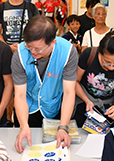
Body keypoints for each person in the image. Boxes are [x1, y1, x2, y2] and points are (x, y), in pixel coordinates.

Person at [12, 16, 78, 153]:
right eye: (29, 46)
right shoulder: (19, 54)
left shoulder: (68, 52)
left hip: (54, 108)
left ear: (53, 42)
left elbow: (69, 92)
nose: (32, 52)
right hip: (27, 109)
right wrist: (24, 126)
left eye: (38, 49)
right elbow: (19, 95)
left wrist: (63, 127)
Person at [74, 31, 114, 127]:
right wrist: (86, 100)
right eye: (106, 62)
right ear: (100, 52)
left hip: (107, 110)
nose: (111, 67)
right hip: (84, 104)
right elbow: (75, 81)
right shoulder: (89, 55)